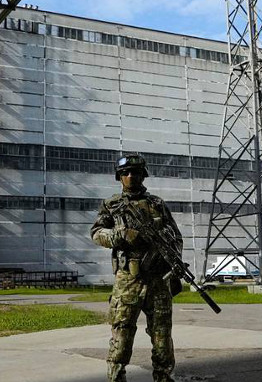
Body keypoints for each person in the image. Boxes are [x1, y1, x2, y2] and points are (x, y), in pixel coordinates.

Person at [91, 154, 183, 382]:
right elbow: (96, 233)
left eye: (135, 172)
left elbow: (176, 237)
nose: (130, 177)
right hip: (128, 280)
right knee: (122, 331)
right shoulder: (111, 205)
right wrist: (120, 235)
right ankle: (116, 376)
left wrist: (173, 260)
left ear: (143, 175)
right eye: (125, 173)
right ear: (119, 177)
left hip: (158, 280)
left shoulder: (157, 204)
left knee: (162, 334)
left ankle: (163, 376)